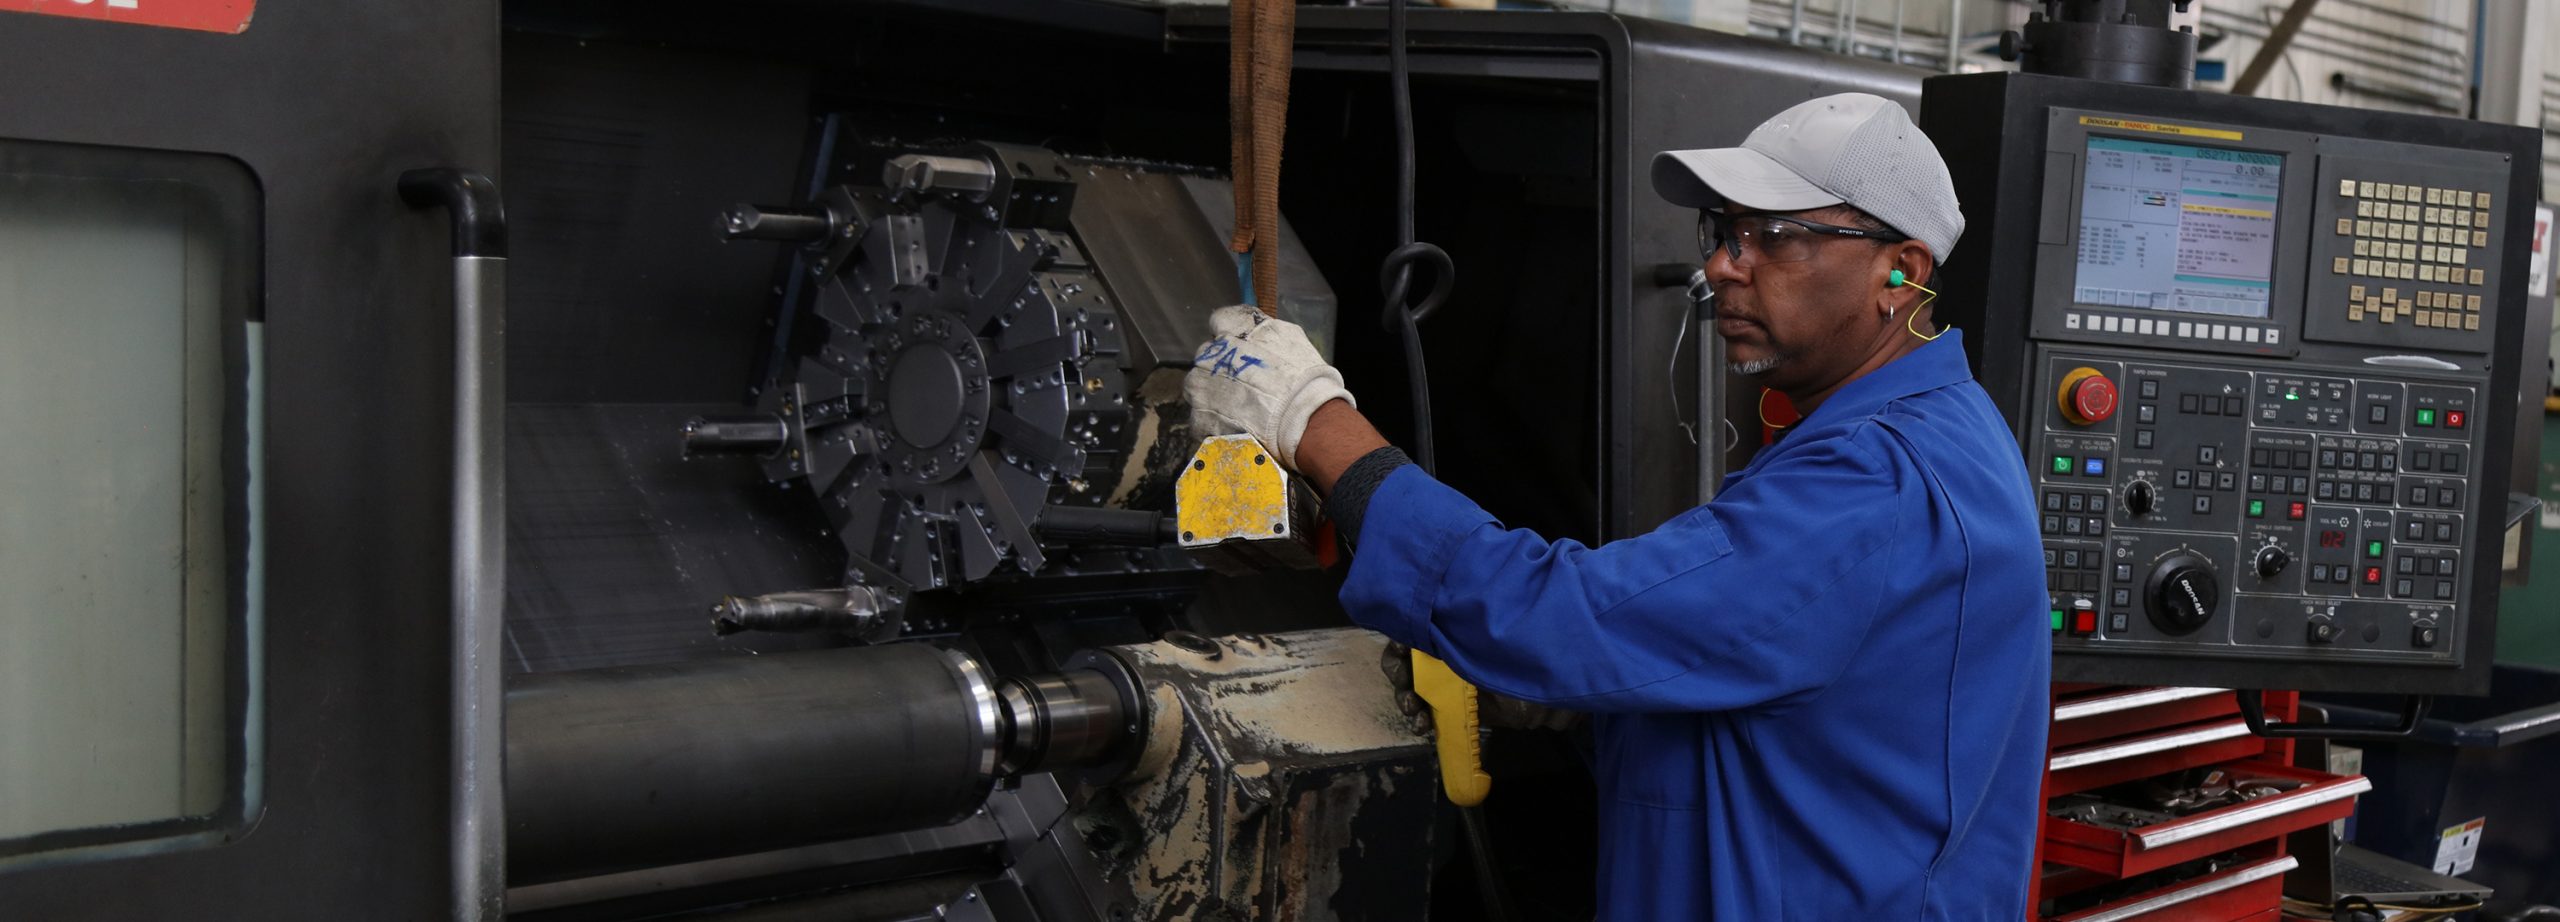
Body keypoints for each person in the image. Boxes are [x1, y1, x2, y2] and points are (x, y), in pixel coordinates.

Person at [1184, 93, 2050, 919]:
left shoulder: (1878, 479)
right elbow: (1769, 685)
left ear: (1901, 271)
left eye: (1771, 236)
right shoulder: (1928, 428)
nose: (1720, 265)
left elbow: (1573, 614)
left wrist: (1314, 424)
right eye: (1722, 232)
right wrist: (1593, 696)